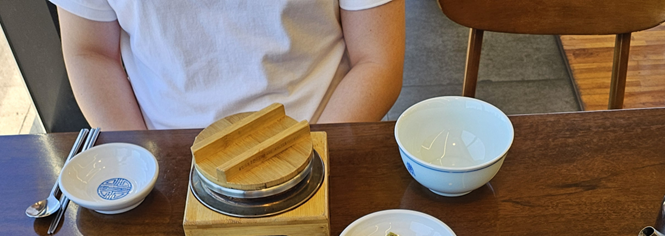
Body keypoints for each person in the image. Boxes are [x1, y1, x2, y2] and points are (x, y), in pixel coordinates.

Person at [49, 0, 405, 130]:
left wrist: (313, 156)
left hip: (319, 132)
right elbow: (91, 52)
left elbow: (377, 60)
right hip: (164, 150)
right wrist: (142, 159)